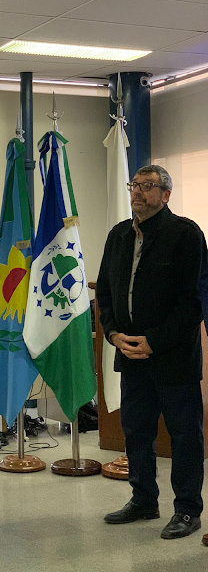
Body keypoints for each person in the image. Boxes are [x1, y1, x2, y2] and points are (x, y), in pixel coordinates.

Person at [97, 164, 206, 540]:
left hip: (173, 356)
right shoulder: (118, 236)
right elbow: (105, 292)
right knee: (136, 430)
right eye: (135, 185)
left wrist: (154, 340)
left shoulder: (186, 234)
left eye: (147, 186)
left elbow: (193, 301)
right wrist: (113, 334)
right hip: (130, 354)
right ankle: (143, 500)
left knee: (184, 434)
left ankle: (188, 509)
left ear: (166, 194)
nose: (138, 192)